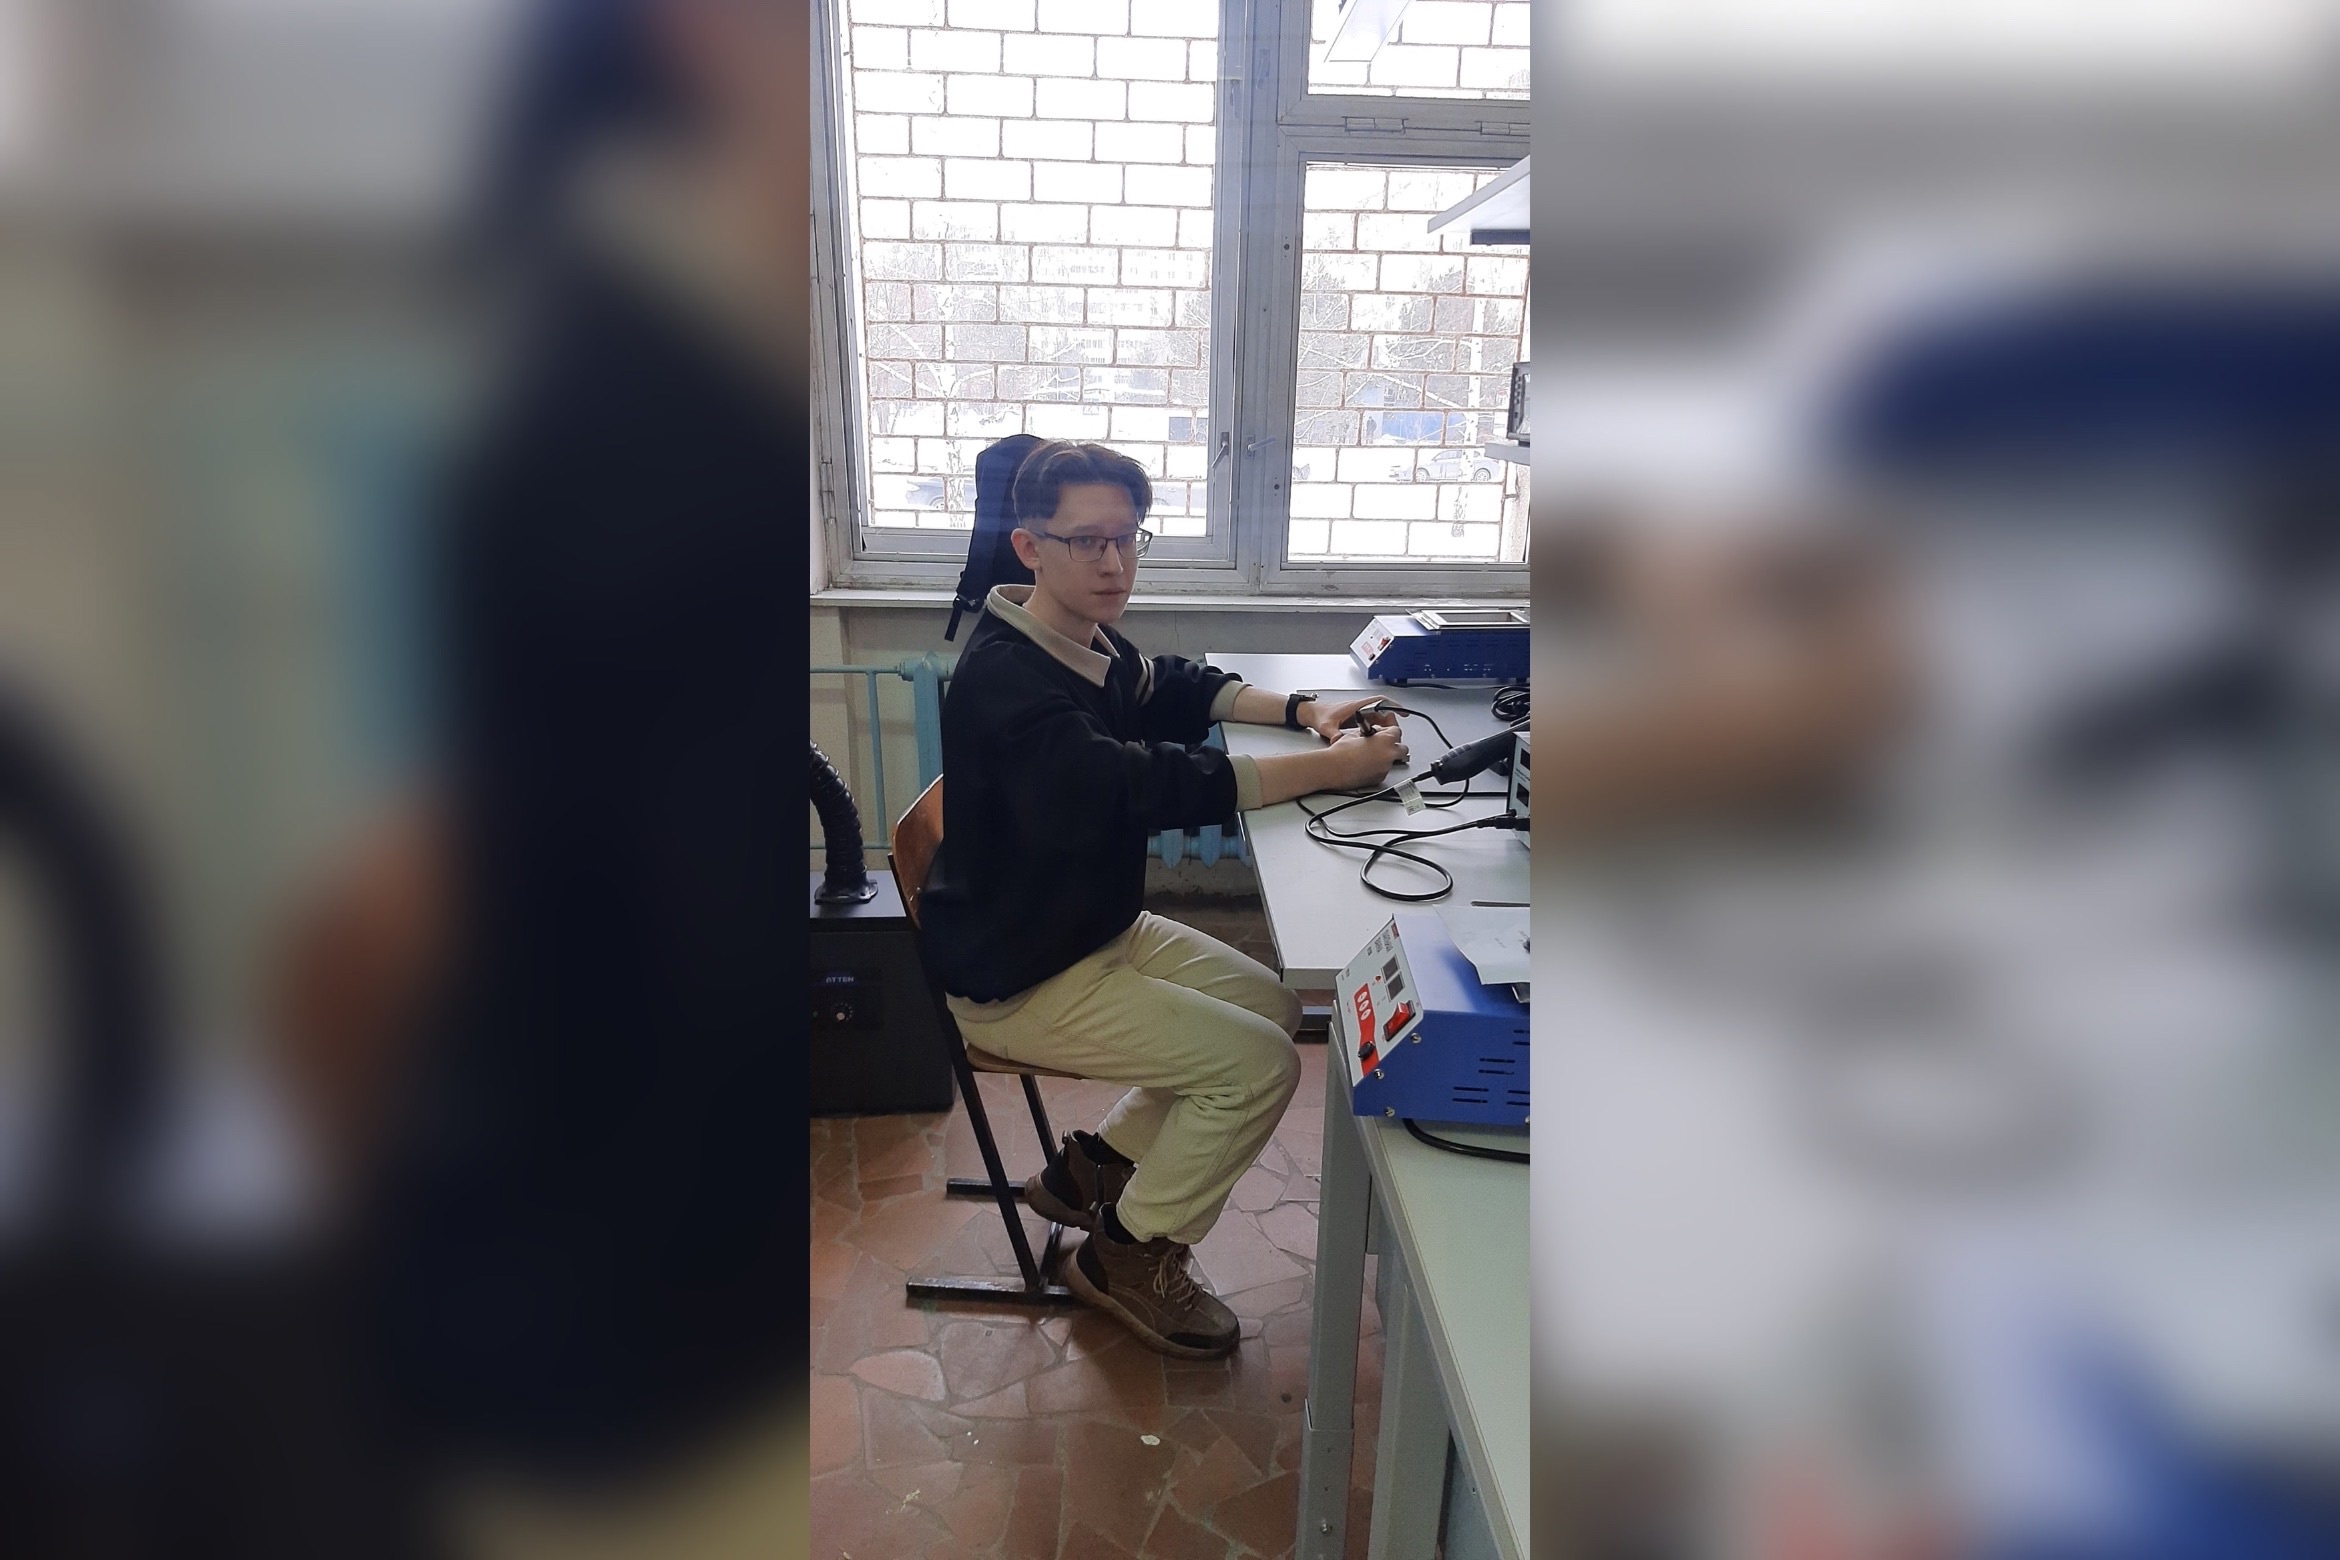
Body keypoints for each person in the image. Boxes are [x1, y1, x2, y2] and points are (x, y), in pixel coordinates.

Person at [921, 440, 1406, 1358]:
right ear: (1029, 547)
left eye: (1127, 538)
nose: (1113, 563)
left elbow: (1171, 686)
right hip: (1022, 972)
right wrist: (1331, 770)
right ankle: (1129, 1254)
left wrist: (1304, 711)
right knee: (1262, 1067)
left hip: (1085, 925)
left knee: (1273, 1007)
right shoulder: (1007, 684)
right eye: (1086, 542)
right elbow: (1142, 785)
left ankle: (1096, 1168)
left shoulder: (1077, 637)